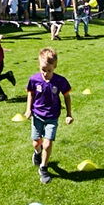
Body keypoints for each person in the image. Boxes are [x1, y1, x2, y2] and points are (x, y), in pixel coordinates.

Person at [25, 47, 72, 184]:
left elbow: (67, 96)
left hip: (52, 117)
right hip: (37, 115)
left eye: (49, 70)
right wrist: (28, 109)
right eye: (43, 70)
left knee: (47, 144)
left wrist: (68, 114)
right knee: (36, 143)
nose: (45, 73)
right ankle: (37, 153)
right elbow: (30, 93)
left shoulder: (60, 81)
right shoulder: (34, 79)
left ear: (55, 67)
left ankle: (44, 168)